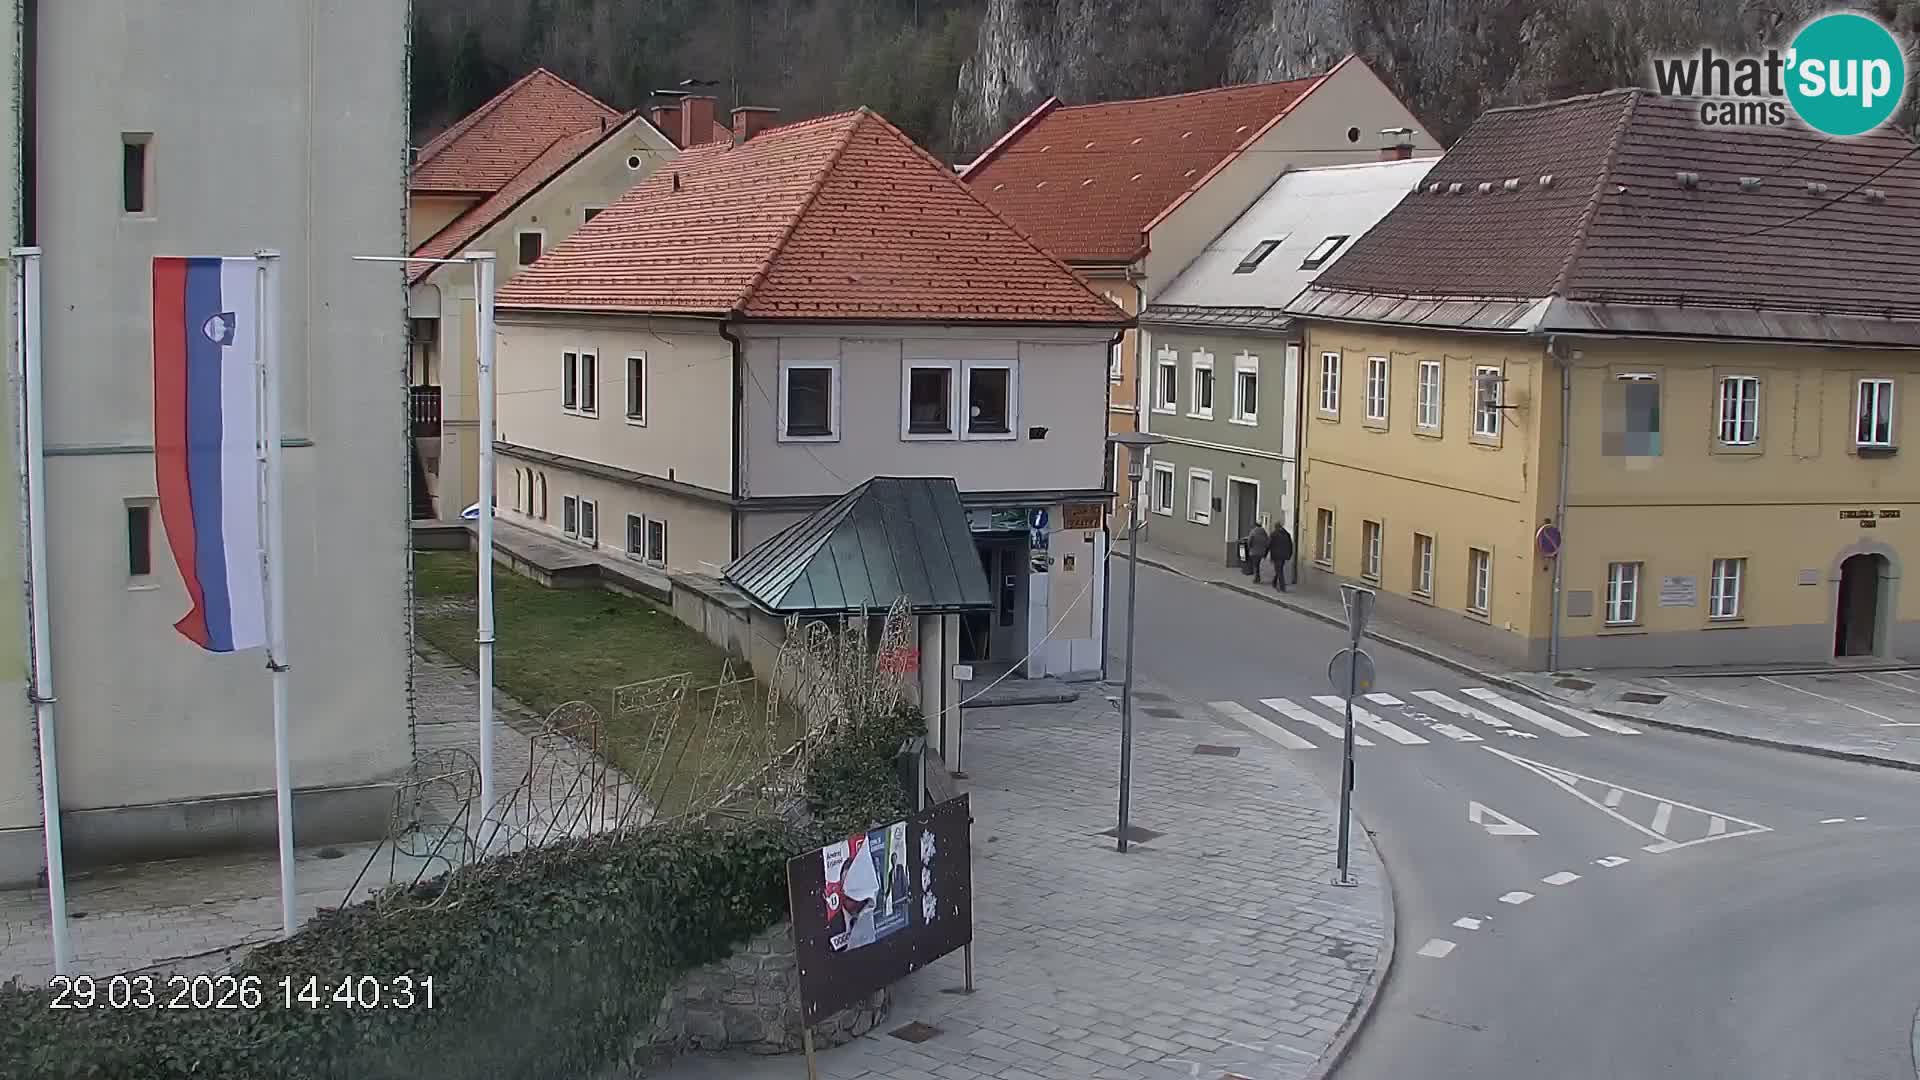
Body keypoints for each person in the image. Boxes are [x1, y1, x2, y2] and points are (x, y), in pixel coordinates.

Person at [1269, 522, 1294, 591]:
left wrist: (1265, 554)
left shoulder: (1273, 534)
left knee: (1279, 571)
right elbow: (1290, 545)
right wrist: (1289, 554)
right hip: (1284, 556)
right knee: (1279, 569)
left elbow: (1269, 544)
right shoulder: (1287, 534)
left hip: (1276, 556)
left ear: (1276, 527)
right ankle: (1274, 582)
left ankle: (1282, 587)